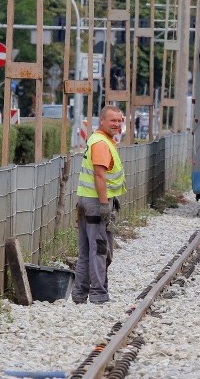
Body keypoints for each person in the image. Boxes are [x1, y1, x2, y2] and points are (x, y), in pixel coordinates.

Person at [73, 105, 126, 304]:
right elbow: (99, 175)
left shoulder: (99, 140)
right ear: (102, 121)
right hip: (96, 203)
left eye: (120, 120)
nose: (117, 124)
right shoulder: (102, 144)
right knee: (100, 249)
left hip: (87, 200)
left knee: (86, 250)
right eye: (113, 120)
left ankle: (79, 294)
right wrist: (105, 204)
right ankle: (98, 294)